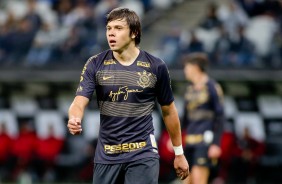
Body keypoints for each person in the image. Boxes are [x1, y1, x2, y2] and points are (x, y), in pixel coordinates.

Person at [67, 7, 189, 184]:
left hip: (143, 153)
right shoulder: (95, 64)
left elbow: (169, 111)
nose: (111, 33)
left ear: (134, 32)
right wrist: (74, 118)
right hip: (107, 154)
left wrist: (179, 153)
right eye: (109, 28)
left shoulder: (156, 66)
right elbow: (79, 101)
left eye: (118, 28)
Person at [182, 52, 224, 184]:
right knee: (186, 180)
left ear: (195, 67)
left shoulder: (212, 87)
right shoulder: (189, 89)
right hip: (189, 142)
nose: (185, 71)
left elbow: (220, 116)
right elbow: (185, 119)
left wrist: (216, 144)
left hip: (204, 143)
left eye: (187, 67)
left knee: (199, 181)